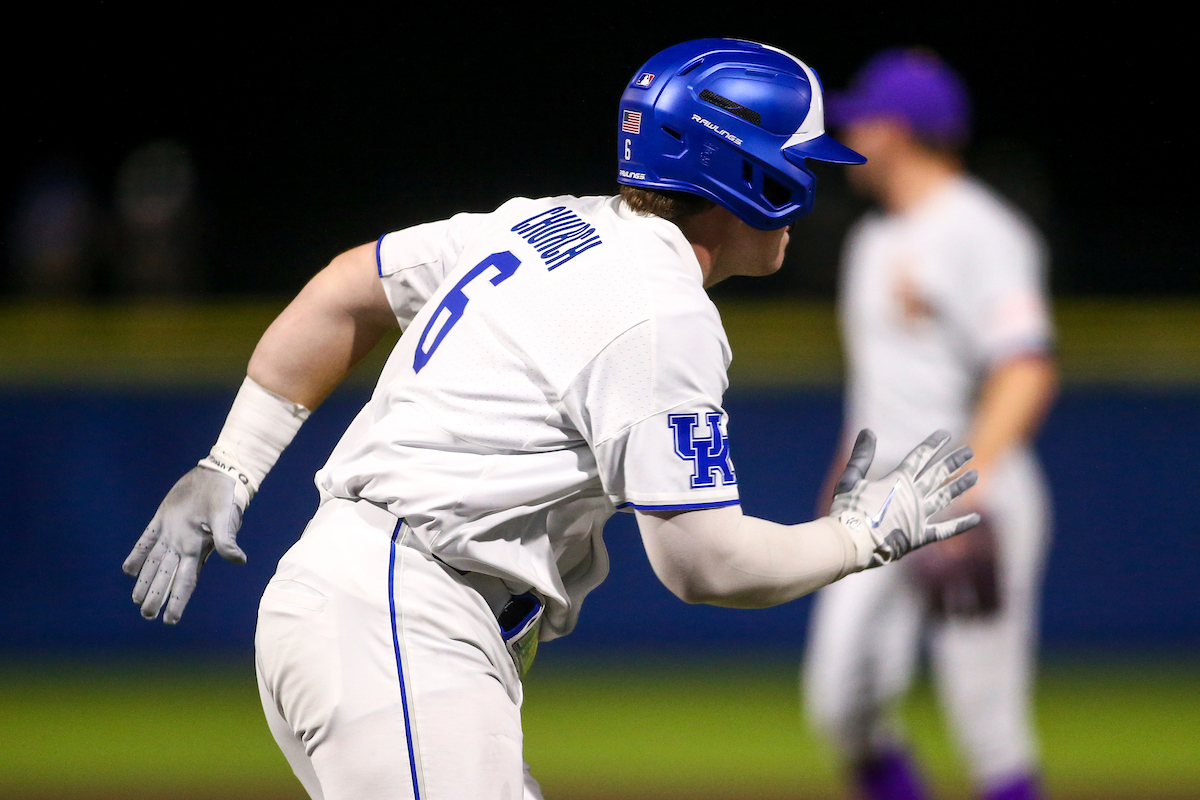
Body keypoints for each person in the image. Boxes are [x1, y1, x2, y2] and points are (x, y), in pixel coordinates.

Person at [124, 39, 982, 800]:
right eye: (800, 158)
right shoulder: (661, 310)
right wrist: (861, 536)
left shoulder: (543, 224)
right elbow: (705, 563)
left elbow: (349, 288)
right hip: (405, 624)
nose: (815, 179)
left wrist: (232, 461)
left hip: (364, 606)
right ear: (750, 172)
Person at [800, 49, 1058, 800]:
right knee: (840, 701)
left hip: (973, 493)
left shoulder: (981, 228)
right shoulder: (872, 241)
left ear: (900, 129)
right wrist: (839, 484)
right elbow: (879, 391)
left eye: (861, 121)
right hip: (878, 496)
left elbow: (1026, 368)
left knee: (987, 724)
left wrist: (963, 490)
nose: (850, 138)